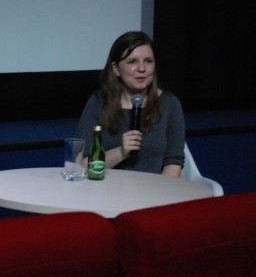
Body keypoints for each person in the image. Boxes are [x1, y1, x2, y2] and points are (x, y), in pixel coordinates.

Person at [77, 31, 185, 176]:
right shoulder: (98, 102)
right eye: (132, 62)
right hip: (106, 187)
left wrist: (163, 189)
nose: (142, 68)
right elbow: (82, 165)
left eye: (148, 61)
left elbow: (173, 163)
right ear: (116, 68)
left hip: (153, 188)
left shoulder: (169, 103)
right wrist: (121, 152)